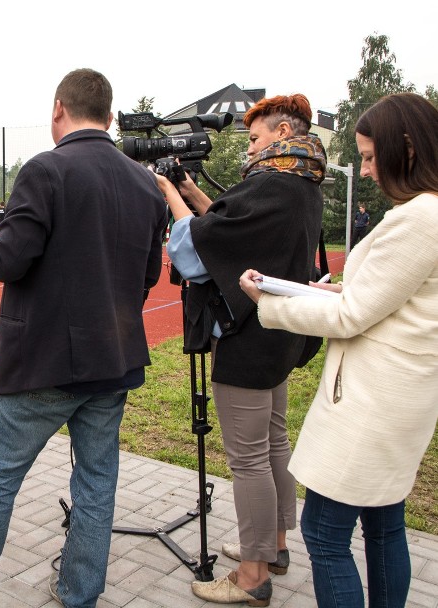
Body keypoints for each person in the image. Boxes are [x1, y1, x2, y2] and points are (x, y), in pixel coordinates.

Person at [0, 68, 167, 608]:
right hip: (112, 362)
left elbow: (15, 256)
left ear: (57, 109)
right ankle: (79, 591)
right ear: (110, 118)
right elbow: (148, 275)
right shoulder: (143, 181)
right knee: (97, 482)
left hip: (44, 362)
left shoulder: (46, 170)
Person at [238, 92, 438, 608]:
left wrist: (270, 303)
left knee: (325, 533)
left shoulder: (420, 217)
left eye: (371, 157)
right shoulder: (424, 213)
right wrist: (331, 289)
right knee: (383, 525)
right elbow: (385, 297)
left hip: (374, 404)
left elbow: (354, 317)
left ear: (407, 151)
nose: (366, 171)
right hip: (397, 398)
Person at [154, 94, 326, 606]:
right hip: (279, 336)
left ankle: (252, 576)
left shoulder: (271, 183)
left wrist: (169, 192)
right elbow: (235, 234)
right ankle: (272, 546)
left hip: (249, 340)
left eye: (254, 139)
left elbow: (197, 252)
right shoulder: (301, 183)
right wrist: (194, 194)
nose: (249, 150)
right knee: (273, 444)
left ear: (280, 133)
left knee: (248, 459)